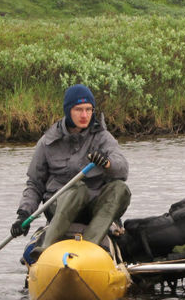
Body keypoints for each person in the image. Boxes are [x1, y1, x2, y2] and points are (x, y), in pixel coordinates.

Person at [12, 84, 131, 259]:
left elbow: (123, 169)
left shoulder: (103, 137)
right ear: (68, 111)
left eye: (88, 109)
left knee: (120, 188)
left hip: (94, 209)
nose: (84, 115)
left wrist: (107, 163)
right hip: (59, 205)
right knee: (78, 189)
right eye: (78, 110)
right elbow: (34, 184)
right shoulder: (47, 142)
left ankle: (90, 248)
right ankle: (46, 248)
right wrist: (23, 214)